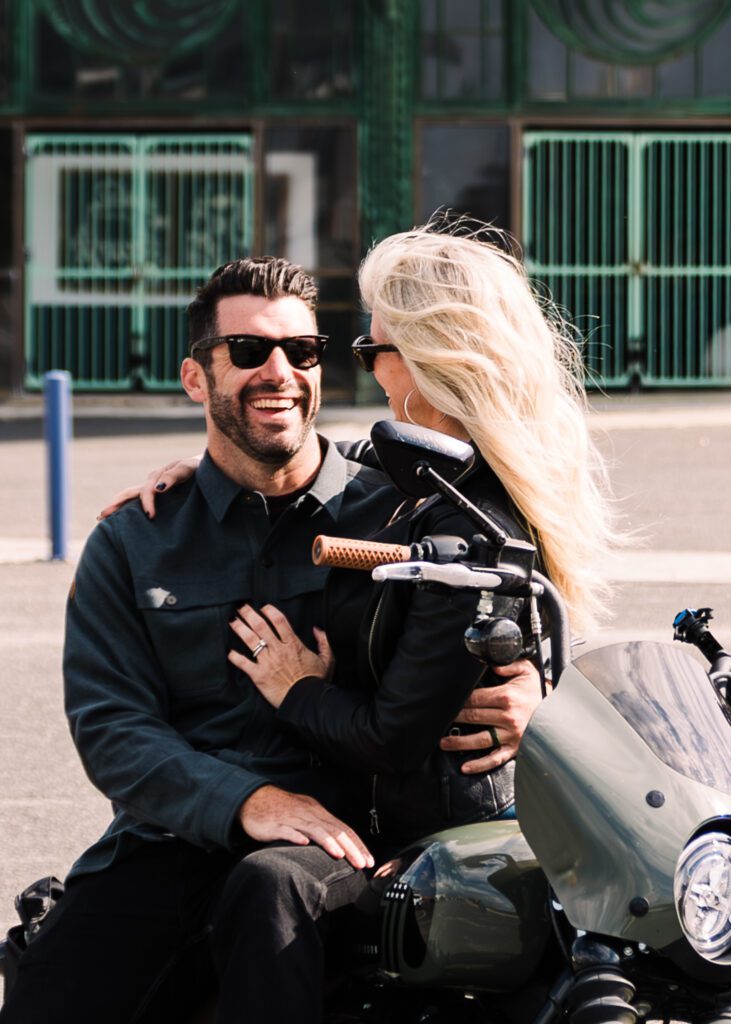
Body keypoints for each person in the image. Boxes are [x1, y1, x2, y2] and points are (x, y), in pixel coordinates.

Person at [1, 251, 540, 1024]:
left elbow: (517, 597)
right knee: (51, 992)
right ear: (197, 379)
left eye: (303, 351)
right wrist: (247, 799)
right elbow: (112, 729)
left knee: (279, 906)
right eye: (249, 352)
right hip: (178, 835)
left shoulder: (399, 508)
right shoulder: (134, 539)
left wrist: (533, 693)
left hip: (343, 844)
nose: (279, 371)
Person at [99, 222, 618, 1021]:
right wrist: (203, 477)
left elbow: (393, 738)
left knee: (268, 891)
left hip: (445, 840)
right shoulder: (425, 473)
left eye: (370, 349)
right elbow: (339, 461)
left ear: (428, 360)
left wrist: (292, 687)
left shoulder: (472, 527)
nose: (364, 369)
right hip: (388, 822)